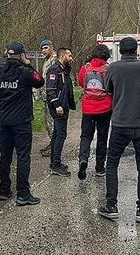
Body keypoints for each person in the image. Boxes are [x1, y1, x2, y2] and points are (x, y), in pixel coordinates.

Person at [97, 37, 140, 223]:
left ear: (119, 51)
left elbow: (108, 90)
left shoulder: (112, 68)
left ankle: (111, 205)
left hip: (121, 122)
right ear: (135, 50)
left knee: (112, 163)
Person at [0, 41, 45, 206]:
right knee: (23, 157)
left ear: (7, 55)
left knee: (5, 157)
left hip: (5, 122)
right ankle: (23, 193)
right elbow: (40, 81)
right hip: (21, 122)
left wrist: (3, 114)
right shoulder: (25, 72)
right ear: (22, 55)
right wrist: (29, 65)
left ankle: (4, 190)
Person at [77, 44, 112, 180]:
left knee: (86, 136)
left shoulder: (85, 68)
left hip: (88, 109)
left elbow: (81, 83)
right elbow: (111, 86)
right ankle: (99, 168)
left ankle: (83, 159)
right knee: (102, 138)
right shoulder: (108, 69)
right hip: (105, 108)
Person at [46, 47, 75, 177]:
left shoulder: (64, 69)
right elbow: (50, 89)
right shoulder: (54, 69)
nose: (71, 58)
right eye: (69, 56)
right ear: (62, 56)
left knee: (57, 135)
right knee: (60, 136)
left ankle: (55, 163)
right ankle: (56, 165)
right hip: (59, 108)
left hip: (64, 106)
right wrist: (57, 105)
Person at [39, 39, 56, 157]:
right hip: (46, 95)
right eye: (42, 48)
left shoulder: (54, 60)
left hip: (52, 95)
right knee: (48, 122)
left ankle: (55, 146)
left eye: (46, 48)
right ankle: (52, 143)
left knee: (52, 121)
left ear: (51, 47)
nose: (43, 50)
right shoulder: (46, 60)